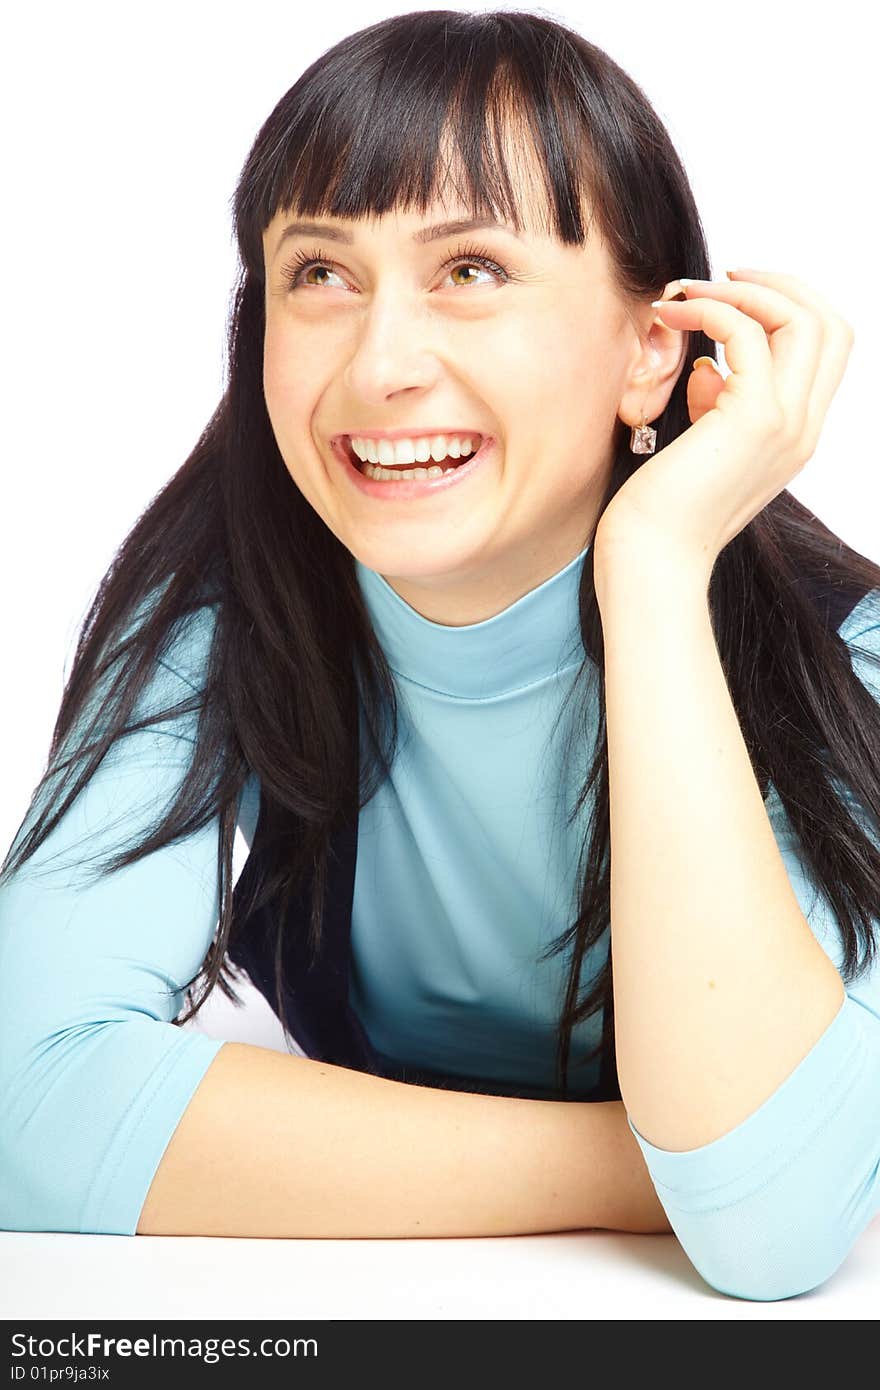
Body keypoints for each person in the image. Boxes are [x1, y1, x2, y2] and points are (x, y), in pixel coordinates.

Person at [1, 8, 878, 1303]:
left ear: (654, 348)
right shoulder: (227, 592)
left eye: (470, 270)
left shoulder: (831, 648)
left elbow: (771, 1239)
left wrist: (653, 566)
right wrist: (648, 1168)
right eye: (321, 274)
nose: (381, 363)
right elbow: (29, 1100)